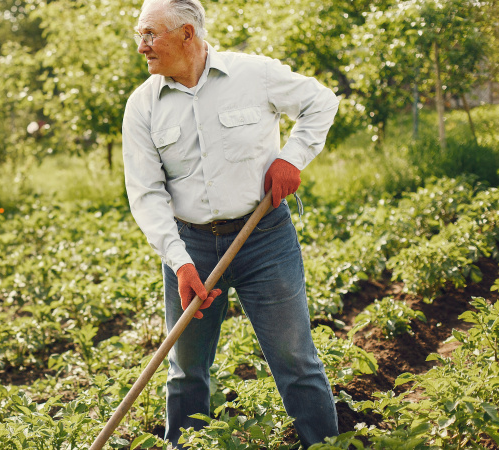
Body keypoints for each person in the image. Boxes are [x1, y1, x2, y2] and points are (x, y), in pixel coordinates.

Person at [121, 0, 341, 447]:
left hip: (264, 240)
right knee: (185, 369)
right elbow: (146, 194)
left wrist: (291, 158)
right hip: (192, 247)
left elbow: (321, 102)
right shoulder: (143, 105)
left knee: (296, 362)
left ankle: (324, 444)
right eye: (139, 34)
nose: (141, 46)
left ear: (186, 34)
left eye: (149, 34)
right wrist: (180, 264)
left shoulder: (252, 74)